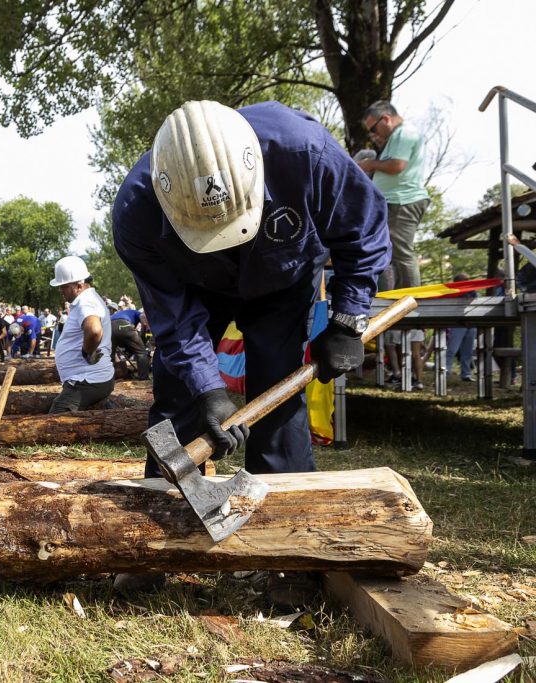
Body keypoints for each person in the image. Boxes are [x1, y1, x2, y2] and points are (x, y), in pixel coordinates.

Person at [112, 100, 389, 604]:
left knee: (277, 397)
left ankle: (290, 552)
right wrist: (208, 390)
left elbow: (363, 229)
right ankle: (157, 540)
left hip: (282, 280)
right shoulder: (136, 212)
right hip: (196, 288)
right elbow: (175, 321)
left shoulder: (306, 153)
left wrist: (348, 318)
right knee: (177, 400)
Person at [356, 101, 430, 390]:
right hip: (396, 202)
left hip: (403, 201)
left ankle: (411, 297)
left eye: (374, 129)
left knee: (401, 251)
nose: (374, 136)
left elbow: (397, 166)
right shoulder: (396, 137)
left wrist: (369, 164)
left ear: (385, 119)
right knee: (392, 253)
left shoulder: (403, 134)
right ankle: (402, 294)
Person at [48, 256, 115, 412]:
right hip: (87, 379)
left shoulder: (86, 302)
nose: (60, 290)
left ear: (78, 286)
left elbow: (94, 330)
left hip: (87, 380)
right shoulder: (86, 299)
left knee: (55, 421)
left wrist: (87, 352)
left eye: (63, 286)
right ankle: (104, 407)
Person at [444, 273, 475, 382]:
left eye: (468, 279)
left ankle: (466, 374)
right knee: (452, 349)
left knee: (468, 351)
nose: (467, 281)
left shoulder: (473, 291)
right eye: (464, 280)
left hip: (471, 323)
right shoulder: (452, 292)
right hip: (457, 324)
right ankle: (446, 371)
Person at [110, 304, 151, 380]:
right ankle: (143, 378)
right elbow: (143, 318)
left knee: (110, 355)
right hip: (124, 325)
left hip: (109, 328)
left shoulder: (119, 314)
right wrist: (145, 333)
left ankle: (110, 378)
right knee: (141, 352)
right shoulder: (136, 312)